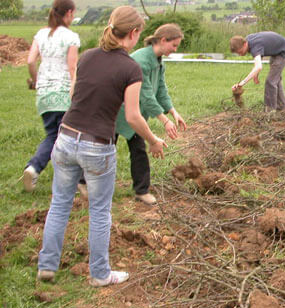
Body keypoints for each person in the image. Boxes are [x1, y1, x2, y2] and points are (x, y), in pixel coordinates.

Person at [36, 6, 167, 287]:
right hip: (97, 147)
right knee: (99, 211)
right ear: (133, 34)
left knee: (59, 204)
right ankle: (99, 274)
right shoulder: (130, 68)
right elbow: (132, 116)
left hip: (66, 138)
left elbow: (74, 95)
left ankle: (46, 266)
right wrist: (154, 141)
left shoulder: (88, 57)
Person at [115, 23, 187, 205]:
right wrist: (164, 122)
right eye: (174, 45)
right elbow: (146, 95)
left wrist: (173, 113)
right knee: (105, 149)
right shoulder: (141, 61)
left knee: (138, 150)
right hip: (117, 111)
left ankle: (141, 191)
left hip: (135, 113)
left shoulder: (158, 60)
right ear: (163, 40)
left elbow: (160, 90)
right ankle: (84, 182)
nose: (175, 49)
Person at [23, 0, 84, 194]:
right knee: (71, 138)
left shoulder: (41, 34)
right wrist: (74, 90)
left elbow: (31, 60)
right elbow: (72, 66)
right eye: (73, 14)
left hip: (44, 94)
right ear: (68, 13)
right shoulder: (71, 37)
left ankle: (33, 168)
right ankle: (77, 181)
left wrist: (35, 81)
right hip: (64, 93)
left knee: (53, 135)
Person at [230, 31, 285, 112]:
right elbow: (259, 54)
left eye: (241, 52)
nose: (241, 54)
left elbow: (258, 66)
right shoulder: (248, 41)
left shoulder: (254, 45)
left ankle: (270, 111)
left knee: (271, 81)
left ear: (245, 44)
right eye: (238, 53)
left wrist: (242, 83)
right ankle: (282, 108)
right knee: (276, 80)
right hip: (276, 50)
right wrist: (256, 74)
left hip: (282, 51)